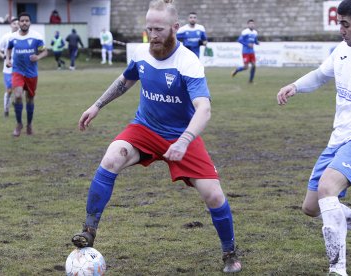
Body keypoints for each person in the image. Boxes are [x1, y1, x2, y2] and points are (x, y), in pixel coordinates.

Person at [71, 0, 241, 273]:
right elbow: (124, 81)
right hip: (145, 129)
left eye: (159, 29)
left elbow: (204, 109)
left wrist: (184, 141)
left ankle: (230, 252)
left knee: (213, 195)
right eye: (149, 28)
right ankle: (89, 229)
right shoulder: (141, 53)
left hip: (181, 135)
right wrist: (97, 105)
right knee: (111, 157)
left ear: (175, 27)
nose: (153, 35)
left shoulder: (188, 62)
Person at [277, 1, 351, 275]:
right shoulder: (341, 50)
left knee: (328, 188)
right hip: (337, 138)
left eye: (345, 24)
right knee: (311, 207)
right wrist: (295, 86)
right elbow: (320, 75)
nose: (340, 30)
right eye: (339, 23)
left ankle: (337, 269)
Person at [6, 12, 48, 137]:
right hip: (17, 71)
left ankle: (29, 124)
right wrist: (8, 59)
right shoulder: (13, 37)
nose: (24, 23)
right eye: (22, 20)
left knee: (30, 98)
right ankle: (19, 124)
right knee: (18, 95)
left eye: (27, 20)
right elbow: (8, 48)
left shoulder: (37, 37)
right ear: (18, 23)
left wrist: (38, 56)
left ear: (30, 22)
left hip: (31, 73)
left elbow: (45, 51)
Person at [0, 17, 19, 117]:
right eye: (14, 23)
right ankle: (6, 109)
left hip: (20, 68)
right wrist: (4, 57)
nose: (16, 25)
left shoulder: (23, 37)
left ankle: (16, 103)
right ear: (10, 25)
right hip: (8, 69)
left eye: (18, 23)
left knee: (19, 90)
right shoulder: (6, 37)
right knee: (9, 90)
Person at [231, 19, 259, 83]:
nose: (251, 25)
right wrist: (247, 44)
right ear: (248, 25)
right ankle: (236, 70)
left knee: (254, 66)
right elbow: (239, 40)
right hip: (245, 52)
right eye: (250, 24)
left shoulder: (255, 32)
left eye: (253, 24)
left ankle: (250, 81)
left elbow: (255, 41)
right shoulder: (245, 32)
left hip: (252, 52)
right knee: (246, 67)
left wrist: (257, 43)